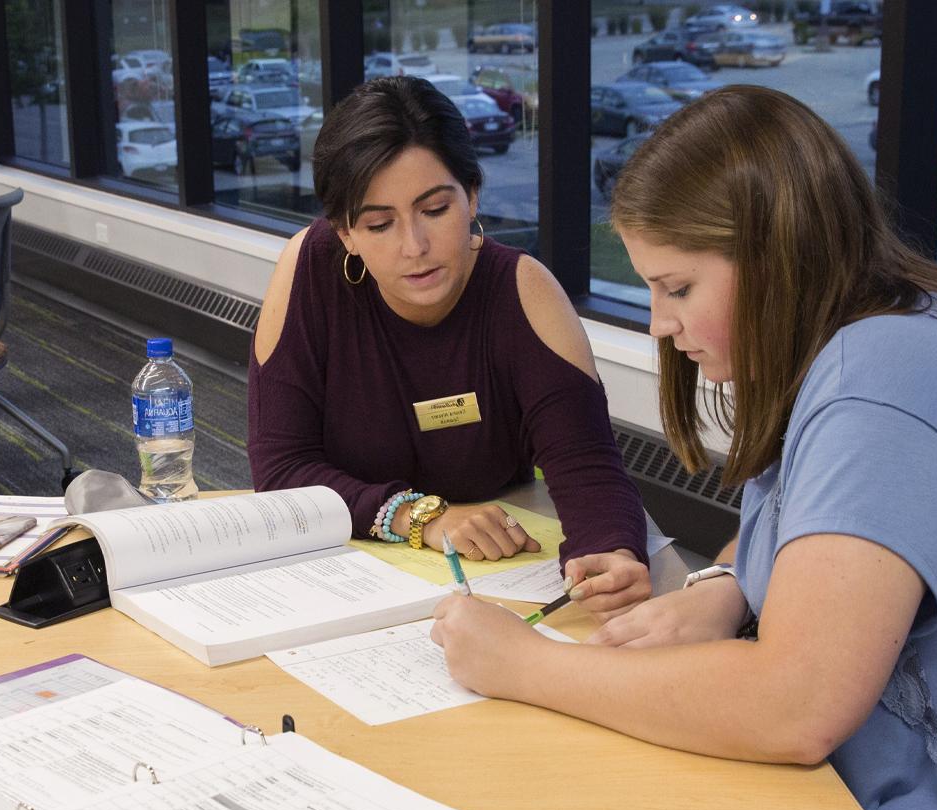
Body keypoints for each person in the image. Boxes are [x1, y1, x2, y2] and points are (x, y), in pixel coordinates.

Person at [428, 85, 937, 810]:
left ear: (775, 258)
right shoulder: (887, 331)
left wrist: (524, 665)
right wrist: (726, 587)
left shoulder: (884, 393)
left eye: (678, 288)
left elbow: (795, 706)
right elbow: (810, 525)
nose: (660, 323)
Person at [248, 76, 651, 606]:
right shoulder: (308, 269)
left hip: (494, 574)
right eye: (378, 224)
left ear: (472, 195)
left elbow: (587, 465)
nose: (414, 247)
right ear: (344, 232)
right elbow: (280, 471)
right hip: (340, 574)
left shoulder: (523, 289)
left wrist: (611, 553)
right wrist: (420, 516)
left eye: (435, 210)